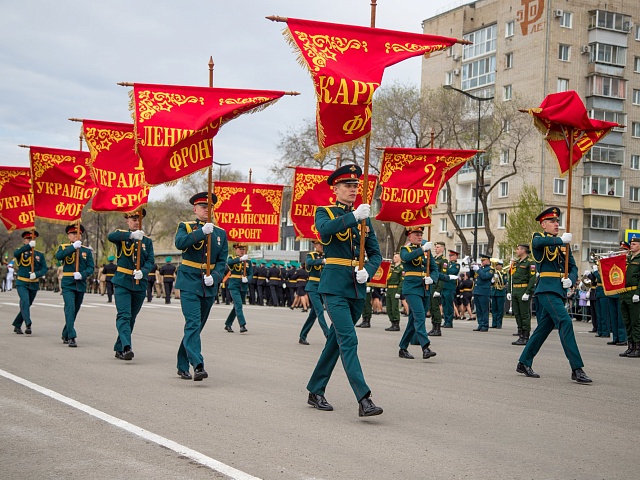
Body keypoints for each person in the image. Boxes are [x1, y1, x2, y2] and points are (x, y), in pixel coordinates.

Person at [306, 164, 383, 417]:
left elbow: (375, 254)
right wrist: (353, 218)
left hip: (356, 287)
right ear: (335, 189)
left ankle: (315, 390)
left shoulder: (364, 218)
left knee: (336, 341)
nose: (352, 189)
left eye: (355, 186)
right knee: (349, 339)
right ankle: (364, 398)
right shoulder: (324, 211)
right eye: (347, 186)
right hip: (334, 287)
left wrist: (368, 271)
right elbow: (325, 230)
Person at [517, 207, 592, 383]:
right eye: (552, 221)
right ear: (543, 224)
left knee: (543, 328)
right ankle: (576, 368)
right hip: (547, 289)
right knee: (565, 322)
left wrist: (571, 279)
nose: (556, 224)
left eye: (558, 221)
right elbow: (537, 245)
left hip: (559, 290)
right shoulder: (539, 239)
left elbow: (573, 267)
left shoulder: (563, 245)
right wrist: (560, 240)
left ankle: (523, 362)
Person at [174, 192, 228, 381]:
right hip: (189, 282)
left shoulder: (220, 233)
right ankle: (198, 365)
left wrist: (215, 276)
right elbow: (180, 243)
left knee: (196, 327)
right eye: (202, 207)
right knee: (193, 323)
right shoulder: (186, 227)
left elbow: (222, 261)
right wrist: (200, 233)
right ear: (195, 209)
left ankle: (182, 363)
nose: (206, 209)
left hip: (208, 285)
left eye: (209, 207)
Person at [107, 209, 155, 361]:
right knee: (124, 315)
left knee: (132, 318)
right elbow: (110, 236)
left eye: (138, 219)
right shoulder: (122, 236)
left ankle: (119, 347)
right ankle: (127, 347)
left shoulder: (147, 241)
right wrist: (131, 235)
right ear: (127, 220)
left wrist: (144, 271)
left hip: (139, 284)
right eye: (133, 219)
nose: (136, 221)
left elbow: (150, 261)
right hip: (122, 282)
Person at [398, 226, 438, 360]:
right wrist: (422, 250)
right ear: (409, 236)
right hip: (411, 289)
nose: (420, 236)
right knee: (420, 316)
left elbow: (434, 269)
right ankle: (425, 347)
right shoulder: (405, 249)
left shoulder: (427, 251)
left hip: (425, 288)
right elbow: (407, 258)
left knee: (412, 321)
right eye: (416, 234)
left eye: (421, 234)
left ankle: (403, 348)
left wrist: (432, 278)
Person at [55, 224, 95, 347]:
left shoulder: (86, 251)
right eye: (73, 234)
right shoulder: (64, 247)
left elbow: (91, 268)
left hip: (80, 284)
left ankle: (66, 332)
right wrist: (73, 247)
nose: (76, 236)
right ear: (69, 236)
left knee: (75, 310)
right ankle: (72, 336)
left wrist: (82, 274)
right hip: (68, 284)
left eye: (78, 234)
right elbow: (59, 257)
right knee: (70, 308)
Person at [12, 231, 48, 334]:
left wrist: (36, 274)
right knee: (25, 301)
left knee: (26, 305)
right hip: (22, 282)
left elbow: (44, 269)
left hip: (33, 283)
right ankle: (28, 324)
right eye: (28, 239)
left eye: (32, 239)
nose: (30, 241)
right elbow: (15, 254)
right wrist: (28, 247)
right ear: (24, 240)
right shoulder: (21, 252)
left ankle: (17, 324)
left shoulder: (39, 255)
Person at [299, 239, 329, 345]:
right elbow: (309, 263)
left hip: (323, 287)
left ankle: (302, 336)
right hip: (313, 287)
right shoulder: (311, 255)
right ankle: (328, 334)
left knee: (313, 314)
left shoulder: (327, 255)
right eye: (317, 244)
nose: (319, 246)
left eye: (320, 244)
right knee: (320, 310)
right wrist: (322, 261)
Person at [509, 244, 536, 346]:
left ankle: (525, 336)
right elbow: (511, 277)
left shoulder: (530, 263)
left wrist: (528, 292)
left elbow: (532, 278)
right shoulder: (515, 263)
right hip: (515, 289)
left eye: (518, 249)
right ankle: (520, 334)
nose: (516, 251)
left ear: (523, 250)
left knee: (524, 314)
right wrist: (509, 291)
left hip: (523, 289)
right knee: (517, 313)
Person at [619, 236, 640, 357]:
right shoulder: (627, 259)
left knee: (635, 321)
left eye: (635, 244)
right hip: (624, 293)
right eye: (631, 244)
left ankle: (638, 347)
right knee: (627, 321)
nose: (632, 245)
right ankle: (630, 346)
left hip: (634, 293)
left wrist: (638, 292)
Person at [224, 243, 252, 333]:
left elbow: (251, 273)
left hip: (243, 285)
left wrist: (247, 279)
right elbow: (229, 263)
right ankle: (242, 325)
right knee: (239, 304)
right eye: (240, 249)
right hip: (234, 285)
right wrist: (240, 259)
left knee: (236, 306)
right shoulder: (232, 258)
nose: (242, 251)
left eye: (243, 249)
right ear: (235, 249)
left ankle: (228, 324)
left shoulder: (248, 261)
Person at [437, 249, 461, 331]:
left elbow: (451, 272)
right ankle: (446, 320)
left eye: (452, 256)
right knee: (444, 304)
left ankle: (449, 322)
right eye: (449, 256)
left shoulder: (456, 265)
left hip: (450, 287)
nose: (450, 257)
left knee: (449, 305)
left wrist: (445, 268)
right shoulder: (448, 264)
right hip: (444, 286)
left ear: (456, 256)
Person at [472, 254, 493, 332]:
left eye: (483, 260)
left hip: (484, 291)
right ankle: (480, 324)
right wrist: (472, 269)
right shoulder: (480, 268)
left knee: (484, 309)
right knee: (478, 309)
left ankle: (485, 325)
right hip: (477, 291)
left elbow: (485, 277)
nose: (482, 262)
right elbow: (473, 276)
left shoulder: (490, 269)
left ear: (488, 261)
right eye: (481, 260)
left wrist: (478, 270)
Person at [384, 253, 403, 331]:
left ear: (399, 258)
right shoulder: (391, 268)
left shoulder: (401, 268)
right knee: (389, 307)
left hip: (395, 289)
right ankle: (392, 323)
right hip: (389, 289)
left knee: (394, 307)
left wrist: (399, 292)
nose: (394, 258)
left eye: (395, 257)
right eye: (394, 256)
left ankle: (396, 324)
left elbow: (402, 281)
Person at [429, 241, 446, 332]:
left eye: (438, 247)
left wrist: (438, 290)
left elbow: (442, 276)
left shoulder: (443, 260)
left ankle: (437, 328)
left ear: (443, 249)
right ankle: (433, 326)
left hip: (436, 286)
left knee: (435, 307)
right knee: (431, 307)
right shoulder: (434, 259)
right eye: (435, 247)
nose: (436, 249)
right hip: (432, 285)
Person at [490, 260, 508, 329]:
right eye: (496, 265)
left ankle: (499, 324)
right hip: (494, 292)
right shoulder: (494, 272)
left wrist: (498, 278)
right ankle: (494, 323)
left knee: (500, 309)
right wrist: (493, 280)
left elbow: (505, 281)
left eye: (498, 265)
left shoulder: (504, 273)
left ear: (501, 266)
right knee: (494, 309)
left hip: (500, 292)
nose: (497, 266)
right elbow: (491, 283)